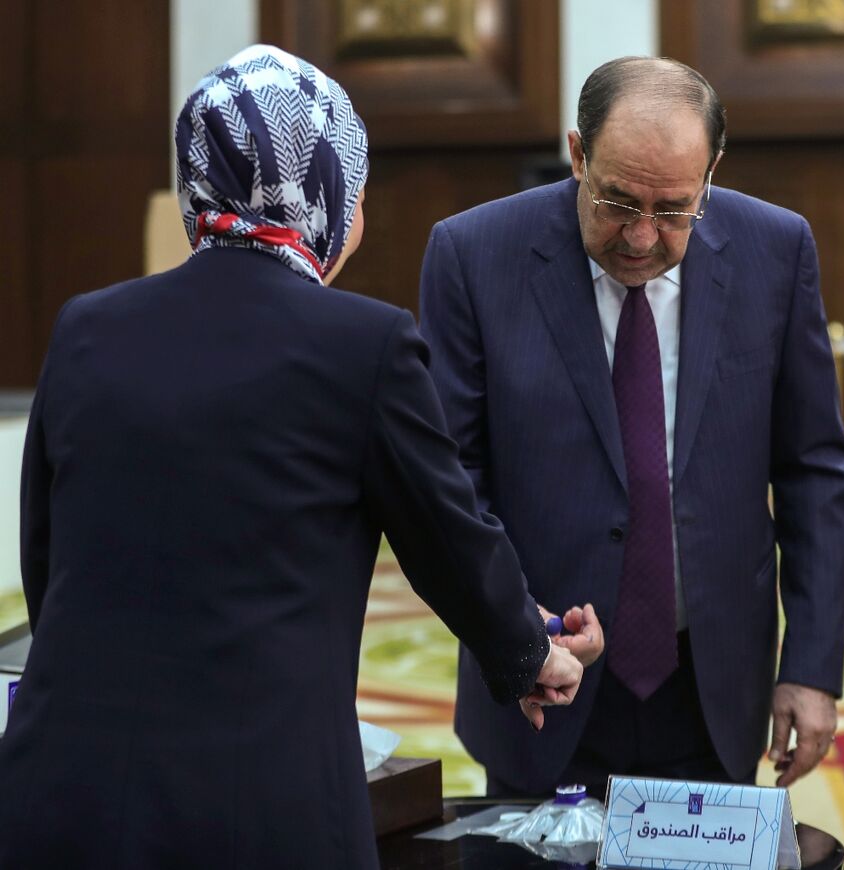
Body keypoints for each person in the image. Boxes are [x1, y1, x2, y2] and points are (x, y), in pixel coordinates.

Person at [0, 46, 583, 870]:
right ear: (329, 194)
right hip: (258, 805)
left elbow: (49, 562)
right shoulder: (364, 345)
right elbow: (449, 539)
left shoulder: (85, 327)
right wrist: (530, 653)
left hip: (64, 792)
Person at [420, 56, 844, 799]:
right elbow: (449, 482)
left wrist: (812, 668)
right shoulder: (473, 255)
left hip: (716, 680)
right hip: (544, 680)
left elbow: (814, 471)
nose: (644, 237)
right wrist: (515, 631)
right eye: (619, 202)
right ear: (578, 154)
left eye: (675, 208)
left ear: (711, 173)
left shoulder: (776, 253)